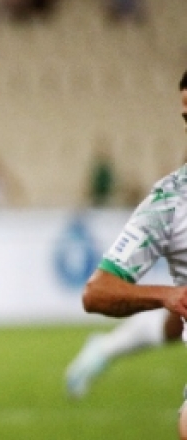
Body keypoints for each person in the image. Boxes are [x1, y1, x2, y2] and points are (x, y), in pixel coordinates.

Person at [75, 70, 187, 408]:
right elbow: (97, 292)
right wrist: (168, 294)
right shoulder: (169, 202)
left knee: (172, 327)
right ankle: (106, 348)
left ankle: (106, 348)